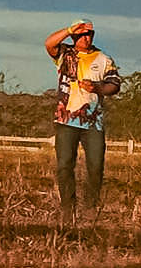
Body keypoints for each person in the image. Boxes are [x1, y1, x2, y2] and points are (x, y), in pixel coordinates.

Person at [45, 20, 120, 216]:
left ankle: (90, 208)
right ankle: (68, 209)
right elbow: (49, 44)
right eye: (80, 35)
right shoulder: (65, 54)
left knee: (96, 166)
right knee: (64, 165)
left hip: (94, 122)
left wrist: (97, 88)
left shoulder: (104, 59)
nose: (85, 38)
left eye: (89, 34)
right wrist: (70, 29)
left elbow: (114, 85)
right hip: (66, 120)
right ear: (73, 37)